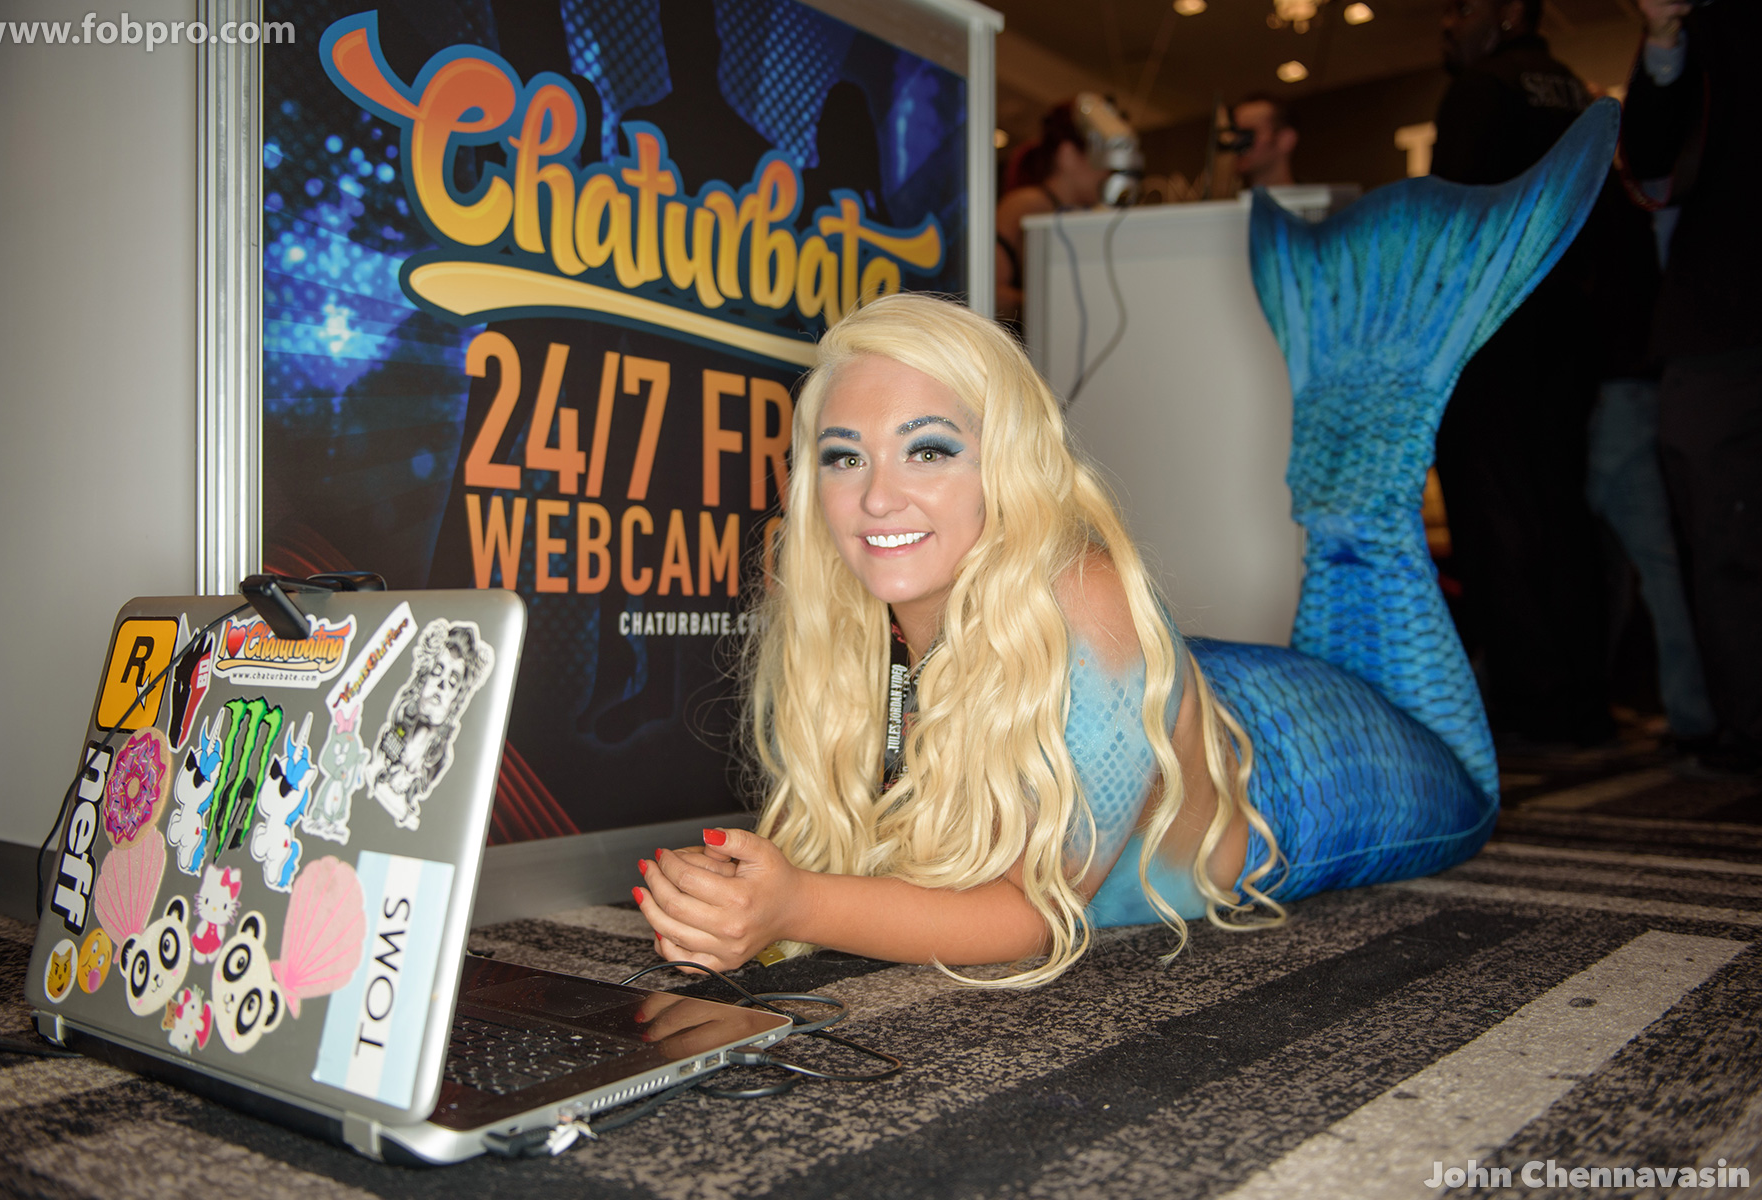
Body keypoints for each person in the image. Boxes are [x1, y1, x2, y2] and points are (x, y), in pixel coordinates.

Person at [631, 105, 1616, 985]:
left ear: (1005, 463)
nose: (878, 493)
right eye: (844, 457)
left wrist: (798, 905)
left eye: (929, 448)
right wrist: (733, 896)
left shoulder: (1085, 601)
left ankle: (1381, 372)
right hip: (1188, 698)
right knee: (1333, 542)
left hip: (1310, 775)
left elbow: (1031, 915)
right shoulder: (838, 602)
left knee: (1378, 573)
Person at [1430, 0, 1615, 748]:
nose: (1448, 23)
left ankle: (1533, 702)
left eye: (1461, 7)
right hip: (1568, 332)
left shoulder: (1482, 89)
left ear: (1508, 12)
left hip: (1493, 333)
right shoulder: (1570, 86)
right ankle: (1580, 698)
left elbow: (1450, 222)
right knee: (1560, 514)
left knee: (1496, 516)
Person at [1623, 0, 1762, 776]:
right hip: (1717, 330)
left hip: (1717, 337)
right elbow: (1650, 161)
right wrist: (1666, 37)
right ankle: (1746, 726)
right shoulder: (1696, 35)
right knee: (1721, 544)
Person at [994, 102, 1108, 330]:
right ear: (1068, 155)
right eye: (1099, 159)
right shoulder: (1026, 205)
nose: (1106, 171)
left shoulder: (1085, 213)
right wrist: (1058, 304)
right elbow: (989, 292)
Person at [1230, 94, 1298, 190]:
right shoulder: (1227, 198)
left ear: (1285, 140)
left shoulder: (1314, 198)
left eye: (1248, 134)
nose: (1237, 142)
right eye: (1235, 134)